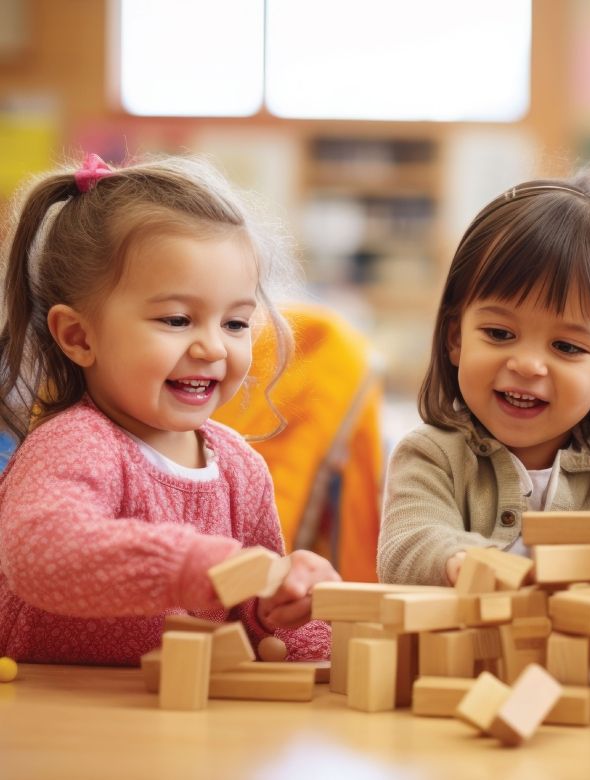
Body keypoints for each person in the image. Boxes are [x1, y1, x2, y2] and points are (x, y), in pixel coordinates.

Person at [0, 154, 338, 665]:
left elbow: (251, 614)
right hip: (57, 721)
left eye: (235, 323)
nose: (213, 348)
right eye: (178, 320)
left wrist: (288, 609)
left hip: (178, 726)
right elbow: (44, 556)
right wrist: (200, 565)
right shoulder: (75, 443)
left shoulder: (240, 469)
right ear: (78, 336)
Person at [377, 172, 590, 586]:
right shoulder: (431, 455)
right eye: (499, 334)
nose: (528, 365)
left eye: (567, 347)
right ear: (455, 337)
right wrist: (464, 562)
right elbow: (407, 547)